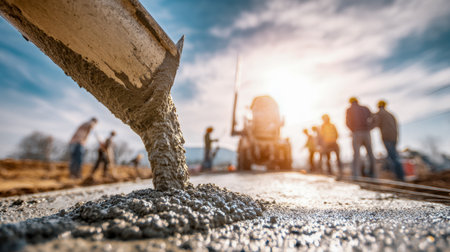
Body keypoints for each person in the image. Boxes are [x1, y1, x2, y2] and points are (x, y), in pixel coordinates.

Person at [374, 100, 405, 181]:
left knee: (393, 157)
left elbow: (375, 123)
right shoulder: (391, 114)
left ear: (378, 106)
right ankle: (398, 175)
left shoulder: (379, 114)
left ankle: (400, 177)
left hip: (386, 137)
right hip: (394, 137)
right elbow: (396, 126)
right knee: (393, 155)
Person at [346, 97, 376, 178]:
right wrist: (370, 128)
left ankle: (356, 175)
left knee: (356, 154)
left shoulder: (349, 109)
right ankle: (373, 175)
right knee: (370, 154)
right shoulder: (365, 108)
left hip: (356, 133)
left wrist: (353, 130)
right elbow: (374, 118)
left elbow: (347, 122)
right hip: (366, 133)